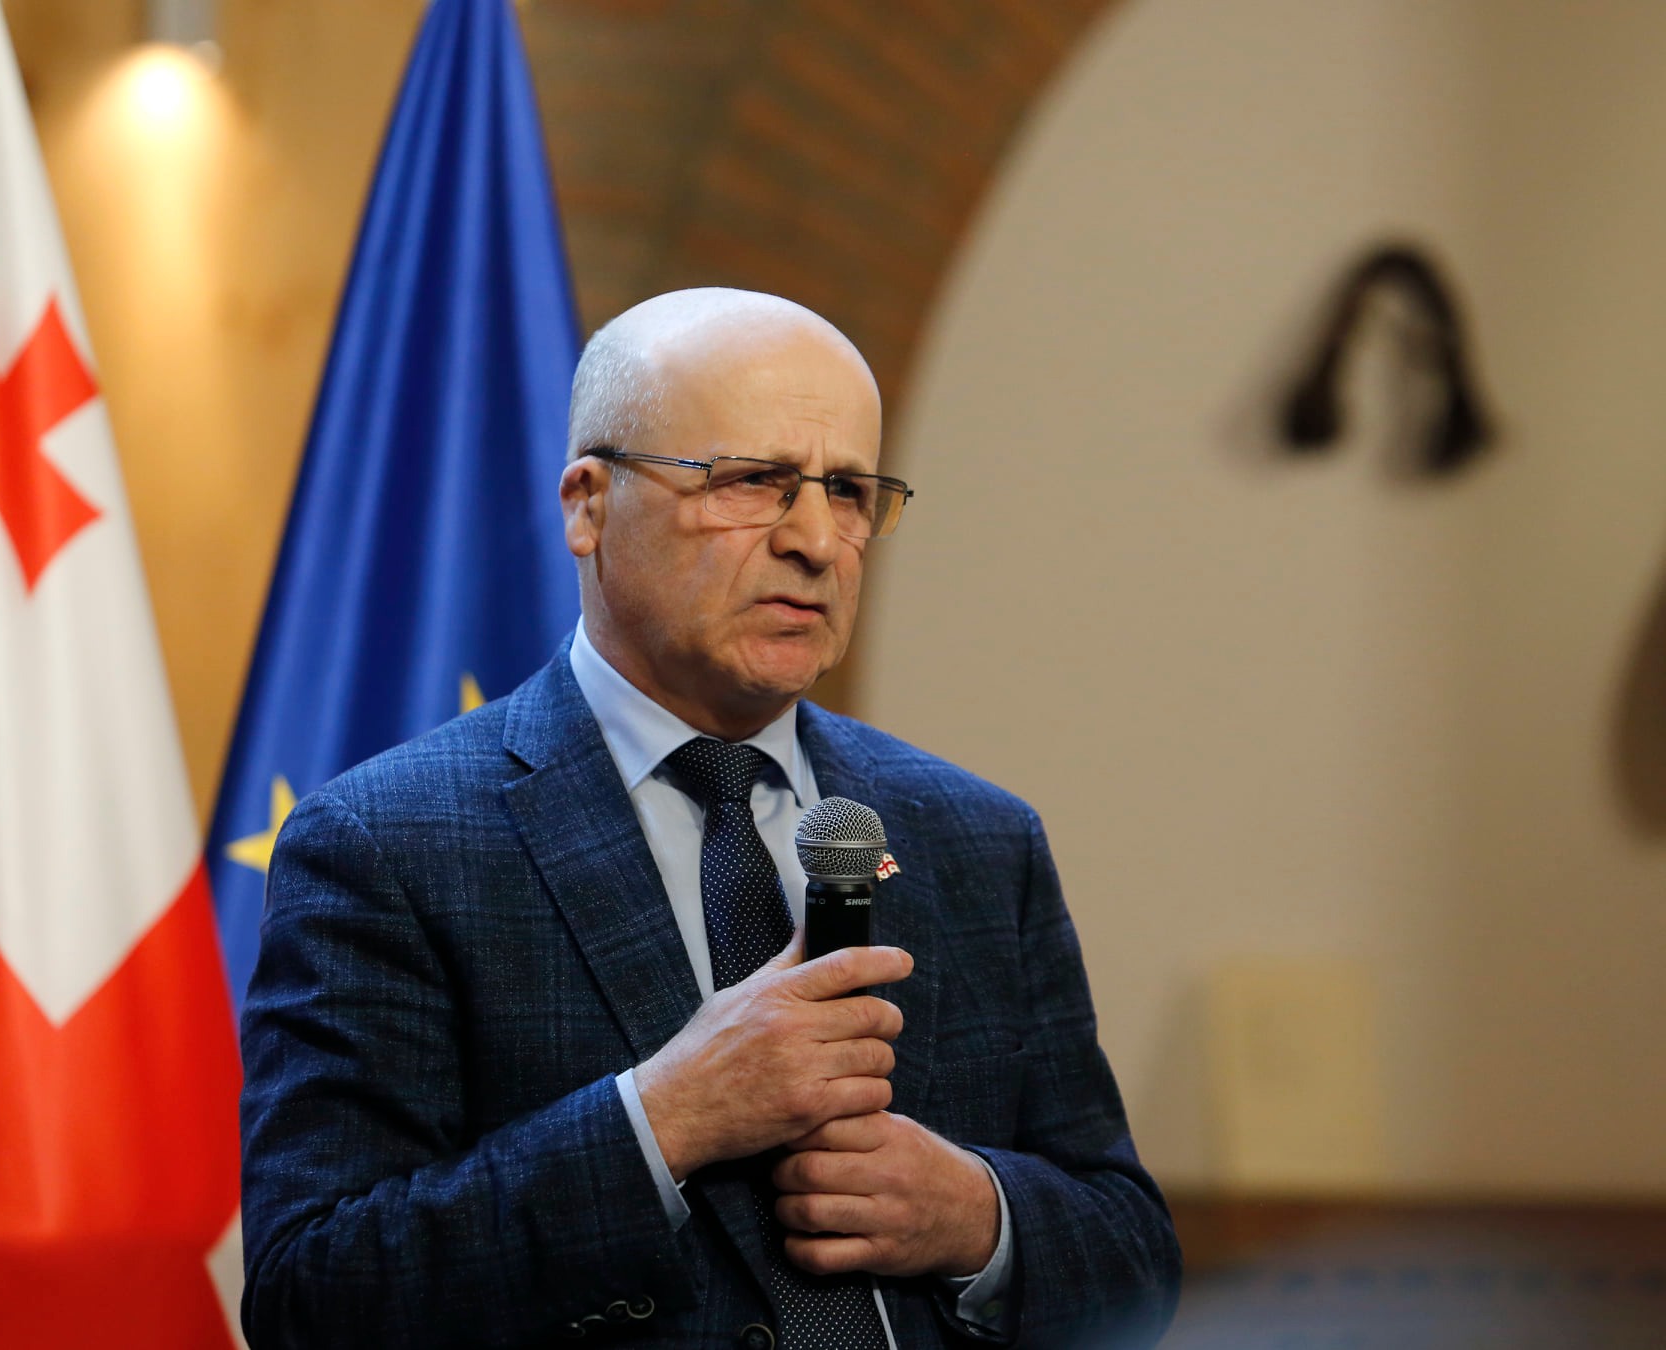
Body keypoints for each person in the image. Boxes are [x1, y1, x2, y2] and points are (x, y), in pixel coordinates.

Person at [238, 288, 1180, 1349]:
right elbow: (313, 1297)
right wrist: (665, 1119)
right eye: (752, 481)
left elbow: (1133, 1257)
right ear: (589, 505)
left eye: (849, 491)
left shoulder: (977, 837)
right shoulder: (386, 845)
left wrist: (973, 1217)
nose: (816, 541)